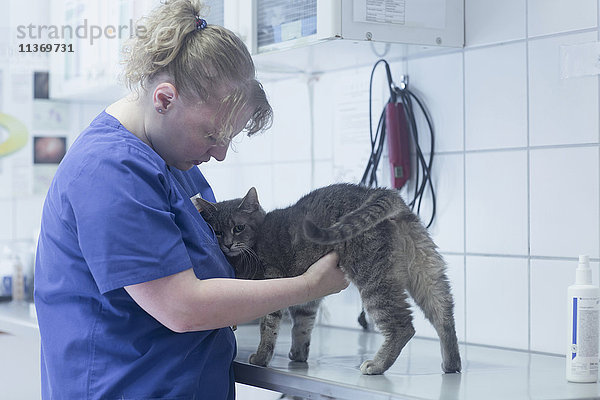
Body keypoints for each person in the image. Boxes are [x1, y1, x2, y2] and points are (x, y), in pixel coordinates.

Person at [34, 1, 349, 399]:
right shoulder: (109, 170)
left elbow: (210, 271)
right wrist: (309, 285)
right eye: (212, 135)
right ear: (164, 100)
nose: (219, 154)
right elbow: (182, 307)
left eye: (228, 139)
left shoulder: (173, 164)